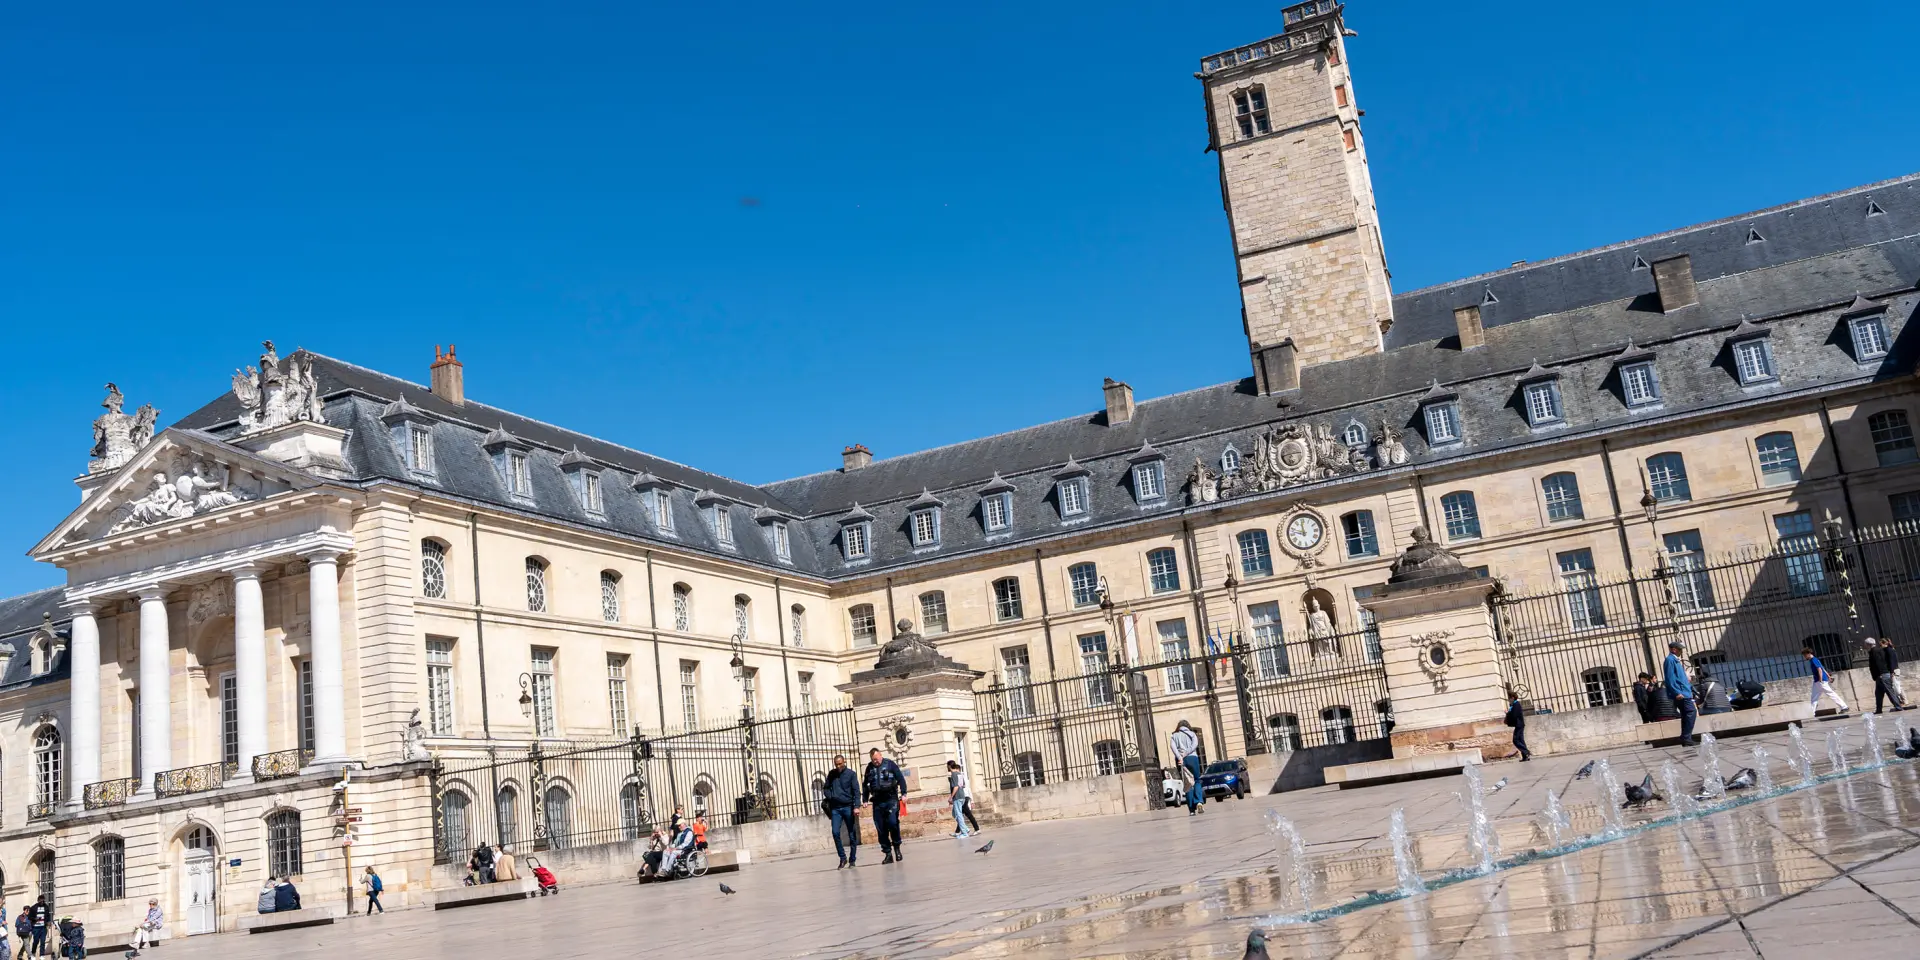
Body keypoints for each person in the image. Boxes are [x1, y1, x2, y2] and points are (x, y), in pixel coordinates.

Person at [862, 747, 907, 864]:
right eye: (873, 760)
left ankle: (897, 848)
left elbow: (900, 778)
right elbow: (865, 785)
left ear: (880, 755)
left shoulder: (890, 764)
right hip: (877, 801)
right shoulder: (869, 768)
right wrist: (865, 799)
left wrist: (904, 793)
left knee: (893, 823)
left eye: (877, 759)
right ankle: (888, 853)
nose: (875, 762)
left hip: (891, 799)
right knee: (881, 828)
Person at [822, 754, 862, 869]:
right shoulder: (832, 774)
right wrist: (831, 796)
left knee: (851, 834)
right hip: (836, 809)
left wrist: (856, 806)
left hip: (848, 807)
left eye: (840, 764)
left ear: (844, 762)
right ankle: (842, 858)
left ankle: (852, 859)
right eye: (836, 764)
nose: (838, 766)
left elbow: (856, 791)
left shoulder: (851, 774)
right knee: (835, 832)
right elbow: (826, 788)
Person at [1664, 642, 1698, 747]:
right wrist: (1676, 692)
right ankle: (1686, 737)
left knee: (1685, 714)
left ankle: (1685, 737)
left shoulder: (1675, 660)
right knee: (1691, 711)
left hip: (1684, 692)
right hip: (1681, 693)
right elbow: (1670, 679)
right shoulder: (1670, 660)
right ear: (1674, 649)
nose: (1681, 651)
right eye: (1679, 649)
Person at [1868, 637, 1911, 713]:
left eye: (1881, 643)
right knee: (1879, 694)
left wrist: (1890, 672)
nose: (1880, 645)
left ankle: (1899, 706)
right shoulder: (1883, 650)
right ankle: (1879, 709)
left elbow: (1885, 663)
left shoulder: (1883, 651)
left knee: (1892, 691)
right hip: (1882, 675)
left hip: (1884, 674)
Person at [1169, 720, 1202, 815]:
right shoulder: (1192, 734)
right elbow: (1194, 745)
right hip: (1193, 758)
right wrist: (1187, 752)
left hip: (1181, 760)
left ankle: (1191, 810)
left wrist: (1180, 757)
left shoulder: (1174, 735)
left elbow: (1173, 747)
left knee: (1187, 784)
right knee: (1196, 780)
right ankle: (1199, 801)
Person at [1804, 647, 1849, 716]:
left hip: (1819, 681)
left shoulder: (1813, 660)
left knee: (1829, 694)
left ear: (1809, 653)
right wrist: (1829, 676)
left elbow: (1820, 669)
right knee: (1815, 697)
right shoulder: (1814, 660)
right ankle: (1812, 713)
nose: (1804, 657)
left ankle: (1844, 707)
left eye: (1805, 655)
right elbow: (1823, 668)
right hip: (1818, 681)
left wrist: (1821, 680)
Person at [945, 760, 972, 839]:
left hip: (957, 797)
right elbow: (962, 785)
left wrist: (951, 797)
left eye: (947, 766)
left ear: (949, 766)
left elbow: (956, 787)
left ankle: (964, 833)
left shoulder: (953, 775)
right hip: (962, 796)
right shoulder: (959, 774)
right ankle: (965, 829)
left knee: (959, 815)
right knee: (954, 814)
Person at [1504, 692, 1530, 761]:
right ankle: (1525, 756)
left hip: (1519, 724)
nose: (1508, 700)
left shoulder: (1516, 704)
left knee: (1515, 740)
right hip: (1519, 724)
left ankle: (1526, 752)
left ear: (1512, 698)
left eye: (1509, 699)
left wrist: (1508, 713)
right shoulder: (1514, 705)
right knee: (1521, 740)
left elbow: (1514, 715)